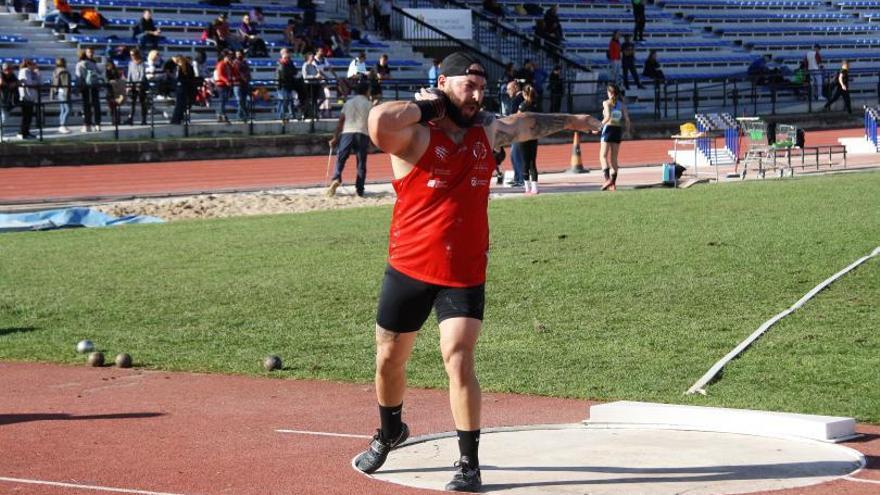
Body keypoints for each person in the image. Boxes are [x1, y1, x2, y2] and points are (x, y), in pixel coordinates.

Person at [353, 51, 601, 493]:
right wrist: (430, 107)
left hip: (463, 269)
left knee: (459, 356)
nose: (477, 93)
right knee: (389, 358)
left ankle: (469, 463)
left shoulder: (486, 129)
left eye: (481, 86)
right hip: (408, 266)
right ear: (443, 83)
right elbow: (376, 122)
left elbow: (525, 123)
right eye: (468, 85)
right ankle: (390, 429)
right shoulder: (414, 134)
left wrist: (574, 120)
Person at [326, 81, 372, 197]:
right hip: (362, 133)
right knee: (361, 163)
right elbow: (372, 123)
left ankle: (336, 177)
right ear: (367, 91)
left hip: (347, 132)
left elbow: (341, 121)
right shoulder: (369, 104)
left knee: (341, 158)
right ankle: (359, 189)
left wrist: (335, 137)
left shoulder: (348, 103)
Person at [599, 83, 632, 191]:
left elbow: (607, 117)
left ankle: (607, 179)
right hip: (617, 130)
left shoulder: (606, 103)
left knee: (603, 156)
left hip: (608, 130)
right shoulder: (621, 105)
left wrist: (597, 126)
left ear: (609, 93)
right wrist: (627, 131)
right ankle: (613, 183)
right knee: (614, 158)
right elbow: (627, 120)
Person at [501, 79, 524, 187]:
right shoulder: (520, 98)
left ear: (515, 88)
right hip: (520, 131)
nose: (507, 92)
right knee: (515, 155)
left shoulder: (517, 99)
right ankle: (518, 177)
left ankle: (520, 179)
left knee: (516, 155)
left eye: (509, 89)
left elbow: (514, 117)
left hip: (518, 132)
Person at [518, 84, 540, 194]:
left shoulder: (522, 106)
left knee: (525, 162)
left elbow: (517, 119)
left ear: (524, 94)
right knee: (532, 162)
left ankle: (527, 188)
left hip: (524, 136)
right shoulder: (536, 105)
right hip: (534, 135)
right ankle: (535, 188)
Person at [75, 47, 102, 132]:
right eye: (90, 52)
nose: (91, 54)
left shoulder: (80, 63)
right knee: (95, 105)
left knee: (87, 106)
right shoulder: (93, 63)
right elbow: (100, 72)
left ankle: (88, 125)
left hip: (86, 87)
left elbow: (78, 76)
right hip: (94, 86)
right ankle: (97, 124)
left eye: (92, 52)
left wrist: (78, 88)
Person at [170, 56, 196, 124]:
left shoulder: (179, 68)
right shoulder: (189, 67)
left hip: (181, 87)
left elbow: (176, 78)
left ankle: (176, 119)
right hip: (187, 88)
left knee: (179, 105)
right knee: (182, 105)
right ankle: (180, 118)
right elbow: (192, 78)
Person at [17, 58, 38, 139]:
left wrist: (37, 74)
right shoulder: (25, 71)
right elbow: (29, 83)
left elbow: (39, 82)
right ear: (29, 64)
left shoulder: (32, 72)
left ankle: (26, 132)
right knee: (26, 116)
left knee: (29, 116)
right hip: (26, 96)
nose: (35, 66)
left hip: (31, 97)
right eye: (33, 64)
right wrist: (35, 82)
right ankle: (22, 133)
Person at [276, 48, 299, 122]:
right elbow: (284, 75)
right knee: (284, 101)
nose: (288, 59)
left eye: (288, 57)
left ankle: (291, 115)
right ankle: (281, 116)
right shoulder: (281, 65)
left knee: (289, 101)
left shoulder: (290, 63)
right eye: (286, 58)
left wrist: (291, 73)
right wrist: (291, 73)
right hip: (282, 85)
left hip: (289, 85)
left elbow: (295, 71)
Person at [126, 48, 148, 125]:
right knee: (132, 103)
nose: (132, 56)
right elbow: (129, 74)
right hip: (133, 84)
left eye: (133, 54)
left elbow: (142, 74)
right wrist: (128, 85)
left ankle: (144, 119)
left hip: (141, 85)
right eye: (131, 55)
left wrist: (139, 84)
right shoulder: (130, 63)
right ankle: (130, 118)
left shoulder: (142, 63)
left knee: (143, 102)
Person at [51, 57, 71, 134]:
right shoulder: (64, 71)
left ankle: (62, 125)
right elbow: (66, 83)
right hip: (64, 92)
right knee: (68, 109)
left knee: (63, 109)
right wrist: (67, 93)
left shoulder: (55, 71)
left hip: (59, 92)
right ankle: (63, 125)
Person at [214, 49, 234, 123]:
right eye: (228, 57)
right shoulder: (221, 64)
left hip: (226, 84)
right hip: (221, 85)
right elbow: (220, 75)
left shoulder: (228, 65)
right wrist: (227, 81)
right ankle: (222, 114)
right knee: (222, 100)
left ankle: (220, 114)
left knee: (224, 100)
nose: (229, 58)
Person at [233, 50, 251, 122]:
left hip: (245, 84)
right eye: (237, 54)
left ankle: (242, 115)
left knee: (243, 101)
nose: (239, 55)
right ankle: (241, 116)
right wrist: (244, 78)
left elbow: (248, 72)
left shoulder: (245, 62)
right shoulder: (235, 63)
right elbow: (238, 73)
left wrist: (248, 79)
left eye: (240, 54)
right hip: (238, 84)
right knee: (240, 101)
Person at [0, 63, 20, 129]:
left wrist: (14, 84)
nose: (8, 71)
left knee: (5, 117)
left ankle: (1, 133)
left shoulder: (12, 75)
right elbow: (1, 82)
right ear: (3, 70)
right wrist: (9, 85)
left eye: (10, 69)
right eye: (6, 69)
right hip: (2, 99)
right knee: (4, 117)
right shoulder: (1, 74)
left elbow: (18, 82)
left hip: (7, 100)